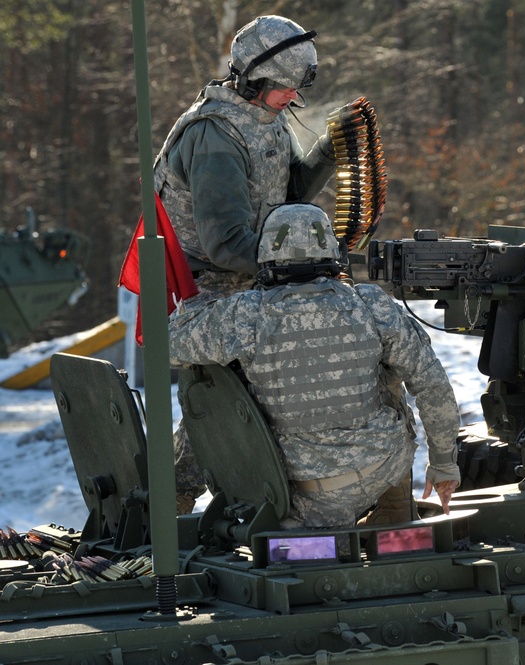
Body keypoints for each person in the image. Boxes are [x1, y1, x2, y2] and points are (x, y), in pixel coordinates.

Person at [167, 203, 462, 528]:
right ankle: (395, 507)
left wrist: (198, 299)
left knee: (220, 379)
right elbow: (431, 383)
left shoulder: (244, 315)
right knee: (390, 374)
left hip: (294, 493)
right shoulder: (371, 304)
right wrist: (444, 463)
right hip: (380, 470)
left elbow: (167, 345)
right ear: (331, 250)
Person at [152, 15, 342, 512]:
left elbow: (288, 192)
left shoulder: (264, 116)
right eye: (285, 88)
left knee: (242, 397)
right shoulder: (215, 136)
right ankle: (171, 507)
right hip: (208, 290)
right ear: (253, 80)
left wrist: (328, 149)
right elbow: (228, 242)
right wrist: (307, 263)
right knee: (226, 400)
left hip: (252, 280)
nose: (294, 99)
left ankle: (185, 499)